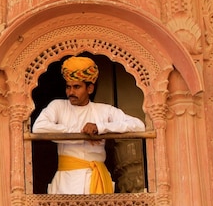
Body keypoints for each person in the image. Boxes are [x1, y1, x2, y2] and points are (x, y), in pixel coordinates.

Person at [32, 56, 145, 195]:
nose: (70, 92)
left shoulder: (104, 110)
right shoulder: (58, 106)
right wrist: (81, 134)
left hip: (97, 180)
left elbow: (139, 126)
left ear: (90, 88)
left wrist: (101, 128)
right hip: (66, 183)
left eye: (76, 87)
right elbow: (39, 128)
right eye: (68, 87)